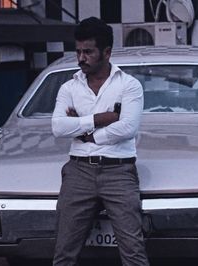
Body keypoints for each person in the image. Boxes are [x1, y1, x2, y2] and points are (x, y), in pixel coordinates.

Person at [51, 17, 149, 266]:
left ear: (106, 52)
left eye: (88, 51)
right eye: (78, 51)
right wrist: (101, 118)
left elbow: (128, 127)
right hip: (78, 171)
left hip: (119, 171)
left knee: (133, 250)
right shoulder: (69, 88)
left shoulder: (129, 85)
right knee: (64, 251)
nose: (81, 57)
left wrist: (85, 133)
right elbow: (59, 127)